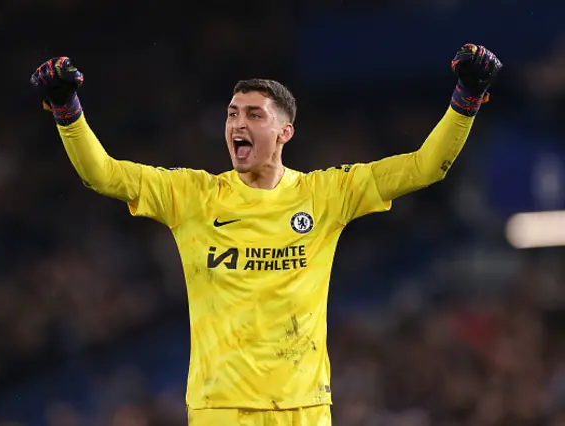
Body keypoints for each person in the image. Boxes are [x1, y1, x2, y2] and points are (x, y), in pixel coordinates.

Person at [30, 43, 502, 426]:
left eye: (254, 115)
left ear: (284, 132)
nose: (238, 123)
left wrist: (467, 98)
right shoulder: (193, 196)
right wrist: (66, 110)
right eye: (232, 114)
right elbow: (104, 175)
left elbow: (424, 167)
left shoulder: (325, 195)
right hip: (222, 408)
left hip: (305, 408)